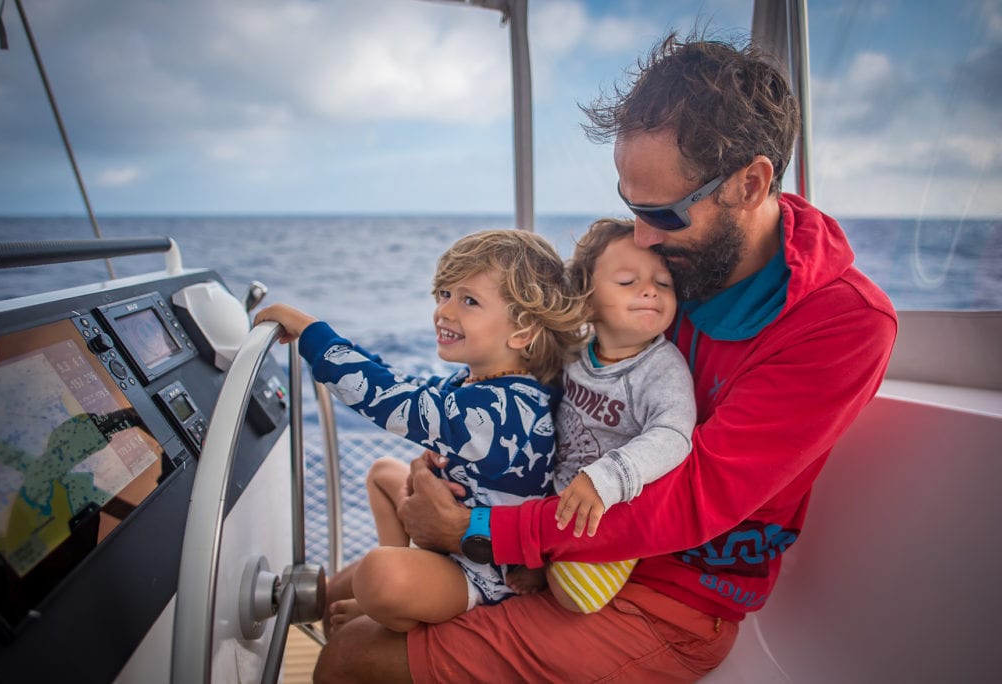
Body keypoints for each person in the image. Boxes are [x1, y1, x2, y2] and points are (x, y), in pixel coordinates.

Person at [315, 33, 897, 683]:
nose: (642, 240)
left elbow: (695, 496)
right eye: (630, 208)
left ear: (751, 183)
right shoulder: (665, 266)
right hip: (559, 538)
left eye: (663, 214)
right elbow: (563, 376)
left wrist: (481, 530)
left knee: (352, 657)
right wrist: (469, 455)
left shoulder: (840, 324)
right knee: (357, 605)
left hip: (672, 599)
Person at [254, 229, 584, 633]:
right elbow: (399, 382)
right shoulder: (482, 384)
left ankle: (389, 602)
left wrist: (310, 331)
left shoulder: (502, 408)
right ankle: (397, 581)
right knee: (382, 474)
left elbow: (389, 398)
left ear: (522, 331)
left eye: (469, 301)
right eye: (444, 293)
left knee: (379, 574)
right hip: (450, 546)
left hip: (484, 574)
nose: (445, 311)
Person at [547, 218, 696, 614]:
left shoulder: (662, 368)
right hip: (551, 493)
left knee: (575, 596)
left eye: (663, 284)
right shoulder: (575, 353)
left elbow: (674, 434)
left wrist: (607, 478)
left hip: (607, 513)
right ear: (586, 297)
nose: (650, 290)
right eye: (628, 281)